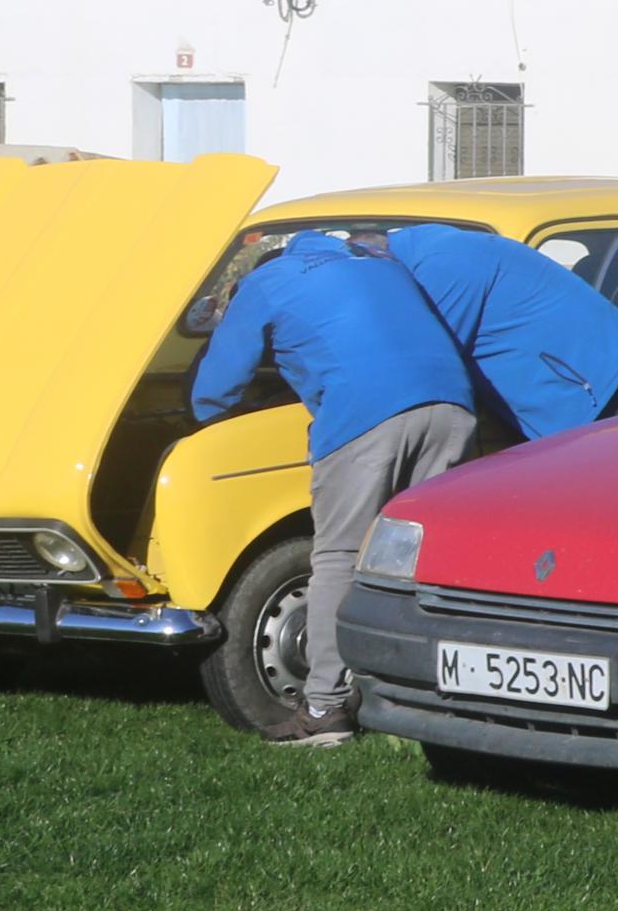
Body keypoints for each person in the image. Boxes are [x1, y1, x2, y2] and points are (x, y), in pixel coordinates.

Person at [190, 230, 477, 745]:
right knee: (423, 560)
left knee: (340, 556)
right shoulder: (382, 267)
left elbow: (221, 380)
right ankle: (423, 699)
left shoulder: (269, 281)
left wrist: (202, 418)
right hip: (453, 404)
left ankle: (323, 707)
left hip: (365, 414)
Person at [379, 225, 618, 444]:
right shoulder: (423, 246)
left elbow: (435, 363)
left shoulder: (440, 266)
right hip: (560, 383)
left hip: (587, 384)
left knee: (571, 496)